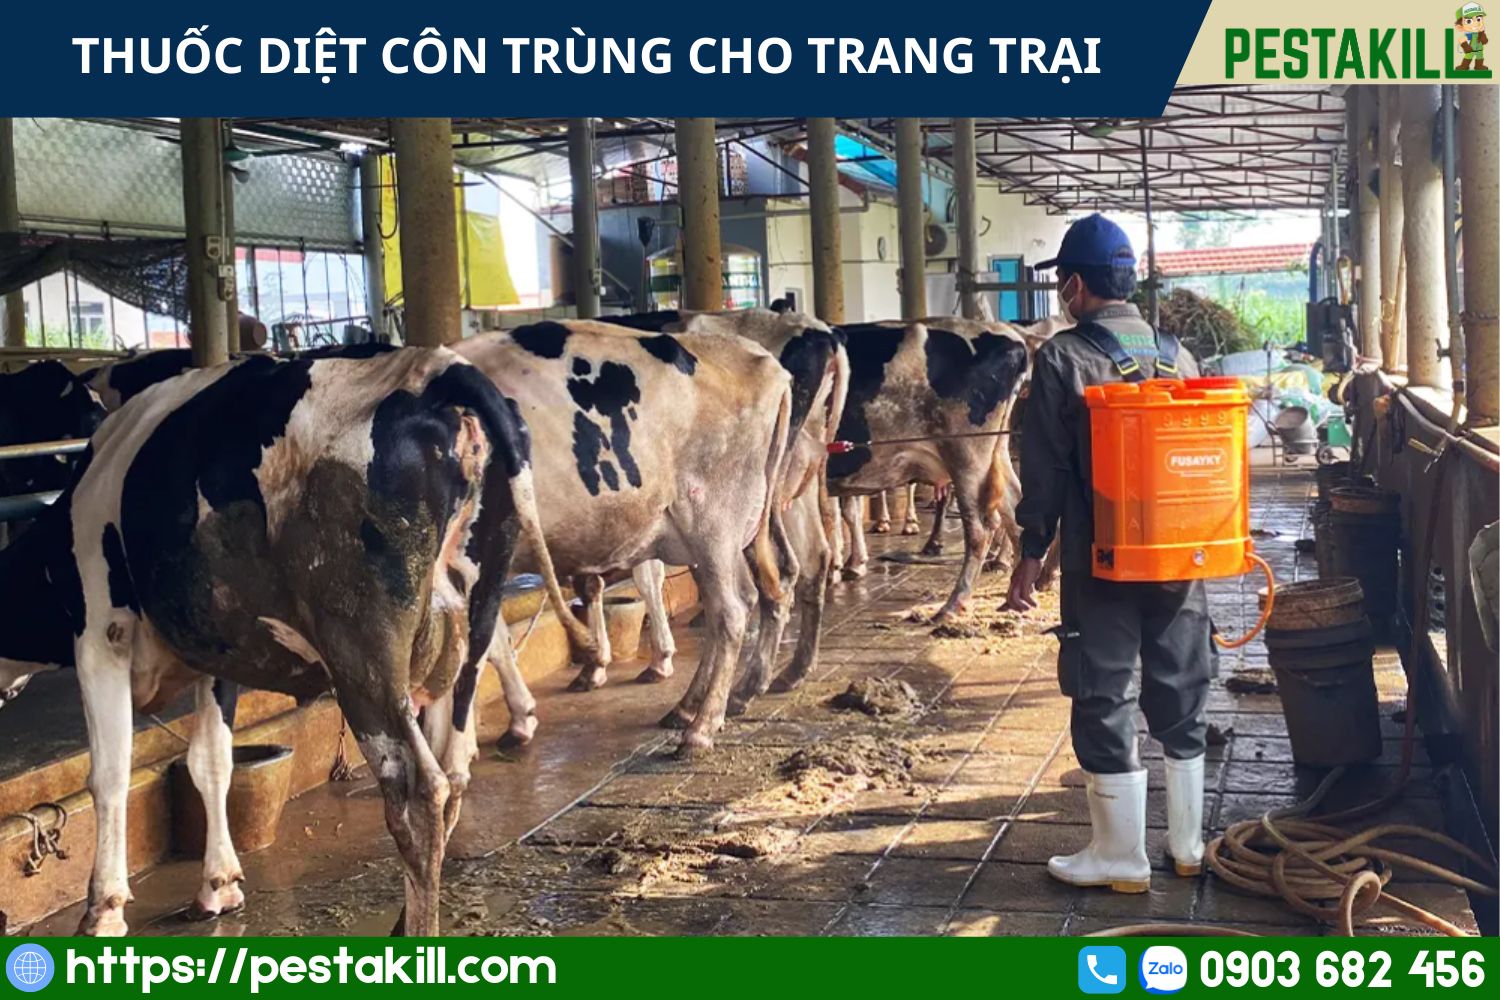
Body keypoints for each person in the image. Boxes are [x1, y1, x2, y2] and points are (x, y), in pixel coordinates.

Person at [1005, 213, 1211, 894]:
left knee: (1103, 688)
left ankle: (1121, 856)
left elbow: (1045, 469)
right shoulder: (1180, 355)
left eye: (1062, 282)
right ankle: (1188, 845)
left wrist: (1031, 551)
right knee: (1183, 684)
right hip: (1181, 555)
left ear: (1074, 285)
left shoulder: (1063, 357)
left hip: (1104, 558)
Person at [1457, 2, 1488, 71]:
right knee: (1468, 57)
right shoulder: (1469, 35)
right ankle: (1464, 66)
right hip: (1470, 50)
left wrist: (1483, 35)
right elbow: (1461, 40)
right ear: (1460, 27)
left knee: (1480, 57)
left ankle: (1479, 66)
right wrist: (1466, 46)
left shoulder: (1481, 33)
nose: (1476, 23)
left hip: (1480, 50)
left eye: (1478, 19)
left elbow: (1485, 41)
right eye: (1469, 21)